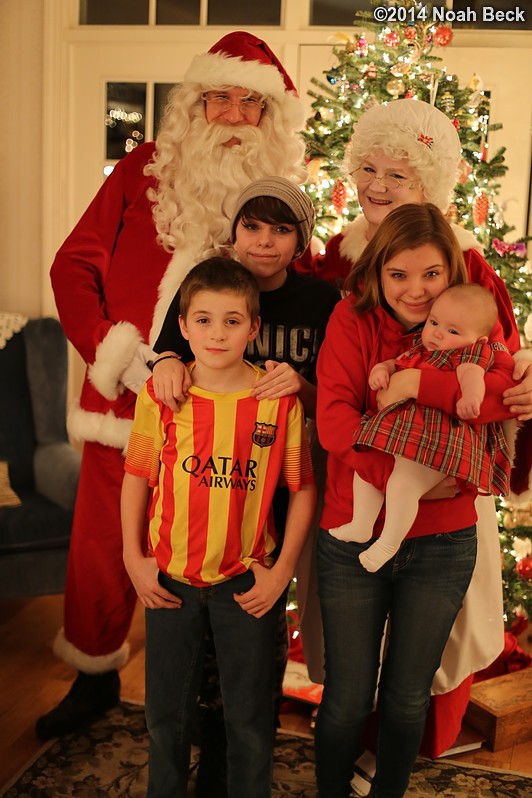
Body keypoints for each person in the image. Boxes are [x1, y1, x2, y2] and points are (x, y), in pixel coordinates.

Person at [37, 30, 307, 741]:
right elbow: (73, 268)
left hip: (218, 416)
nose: (230, 113)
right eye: (217, 96)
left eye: (249, 102)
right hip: (123, 404)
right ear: (194, 103)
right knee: (102, 548)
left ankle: (205, 698)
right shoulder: (141, 172)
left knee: (212, 550)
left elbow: (299, 292)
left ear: (268, 117)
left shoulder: (270, 202)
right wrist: (123, 359)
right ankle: (94, 677)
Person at [294, 98, 532, 757]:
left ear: (429, 184)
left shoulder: (469, 272)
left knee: (421, 664)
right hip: (352, 489)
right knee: (348, 670)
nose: (376, 184)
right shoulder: (336, 272)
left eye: (397, 174)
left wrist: (414, 385)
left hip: (446, 504)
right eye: (367, 168)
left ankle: (405, 755)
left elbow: (498, 382)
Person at [314, 201, 520, 798]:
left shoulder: (472, 325)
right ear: (378, 271)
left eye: (430, 274)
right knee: (349, 695)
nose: (415, 290)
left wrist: (415, 384)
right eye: (399, 275)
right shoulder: (351, 323)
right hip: (353, 530)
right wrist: (426, 475)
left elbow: (500, 398)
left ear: (451, 270)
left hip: (443, 544)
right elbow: (334, 426)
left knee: (408, 696)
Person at [153, 176, 340, 793]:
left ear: (300, 240)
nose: (265, 241)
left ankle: (243, 759)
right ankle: (209, 764)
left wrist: (300, 388)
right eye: (253, 227)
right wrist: (171, 361)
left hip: (278, 489)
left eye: (282, 228)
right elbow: (167, 357)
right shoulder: (204, 287)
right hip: (200, 499)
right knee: (189, 667)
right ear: (234, 233)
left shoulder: (321, 303)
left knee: (252, 656)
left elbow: (337, 396)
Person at [121, 258, 316, 798]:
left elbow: (303, 490)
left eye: (232, 320)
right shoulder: (162, 397)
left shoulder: (277, 403)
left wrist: (279, 577)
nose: (217, 333)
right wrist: (134, 558)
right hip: (169, 580)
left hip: (247, 584)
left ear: (254, 327)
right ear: (182, 327)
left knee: (250, 720)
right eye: (203, 320)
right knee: (167, 715)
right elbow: (137, 476)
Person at [331, 255, 515, 573]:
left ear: (478, 340)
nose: (439, 334)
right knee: (365, 473)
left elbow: (475, 379)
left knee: (404, 484)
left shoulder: (469, 355)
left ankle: (388, 542)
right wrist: (382, 370)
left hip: (440, 442)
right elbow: (397, 362)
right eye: (434, 323)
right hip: (405, 436)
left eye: (453, 330)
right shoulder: (422, 347)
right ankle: (362, 524)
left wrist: (471, 397)